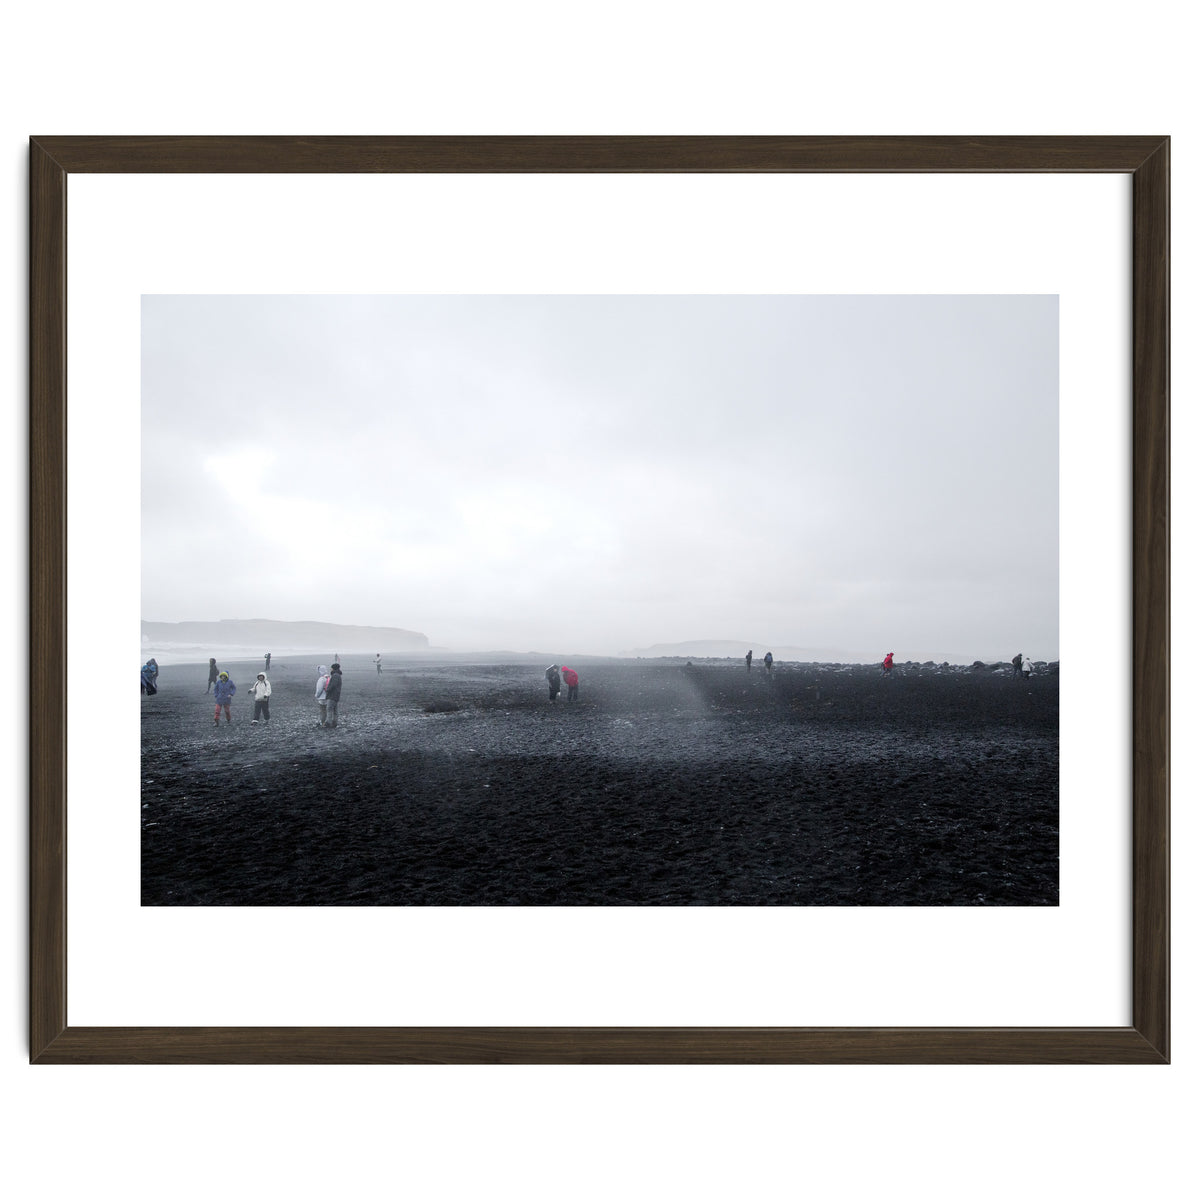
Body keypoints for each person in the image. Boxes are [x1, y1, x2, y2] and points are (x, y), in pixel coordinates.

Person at [324, 662, 343, 727]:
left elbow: (332, 685)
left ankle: (328, 723)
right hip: (336, 695)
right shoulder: (338, 675)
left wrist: (327, 689)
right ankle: (334, 722)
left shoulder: (335, 675)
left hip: (332, 695)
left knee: (329, 708)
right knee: (334, 709)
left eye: (331, 668)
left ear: (333, 668)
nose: (330, 669)